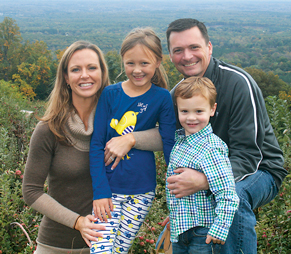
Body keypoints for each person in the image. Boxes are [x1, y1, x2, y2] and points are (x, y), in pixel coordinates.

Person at [164, 18, 287, 253]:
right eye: (178, 50)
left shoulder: (238, 83)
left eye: (194, 47)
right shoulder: (177, 96)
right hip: (211, 171)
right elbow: (175, 145)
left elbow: (250, 155)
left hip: (261, 171)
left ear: (209, 47)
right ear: (170, 55)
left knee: (234, 197)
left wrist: (205, 181)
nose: (187, 56)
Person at [89, 27, 176, 254]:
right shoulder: (110, 94)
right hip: (109, 191)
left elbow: (169, 145)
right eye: (130, 63)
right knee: (101, 249)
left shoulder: (162, 98)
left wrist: (177, 193)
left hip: (142, 192)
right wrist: (100, 192)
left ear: (158, 62)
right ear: (122, 62)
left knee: (119, 250)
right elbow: (97, 144)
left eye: (144, 63)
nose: (137, 70)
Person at [22, 41, 111, 254]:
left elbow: (162, 134)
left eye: (92, 67)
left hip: (107, 244)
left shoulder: (117, 125)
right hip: (56, 245)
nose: (84, 75)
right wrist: (77, 222)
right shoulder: (49, 129)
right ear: (66, 78)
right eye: (75, 69)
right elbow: (31, 191)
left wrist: (132, 139)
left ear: (102, 72)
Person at [166, 76, 239, 254]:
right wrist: (175, 214)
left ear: (212, 109)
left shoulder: (211, 148)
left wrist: (219, 229)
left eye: (199, 111)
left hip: (202, 233)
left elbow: (228, 192)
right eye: (184, 111)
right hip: (181, 231)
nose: (191, 118)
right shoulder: (180, 142)